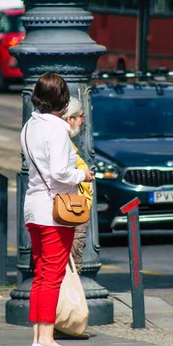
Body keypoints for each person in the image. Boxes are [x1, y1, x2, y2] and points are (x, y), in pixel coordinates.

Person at [21, 73, 95, 346]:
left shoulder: (30, 125)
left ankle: (39, 337)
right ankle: (47, 340)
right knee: (52, 276)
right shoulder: (57, 129)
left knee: (41, 274)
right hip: (55, 212)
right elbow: (60, 172)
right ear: (62, 100)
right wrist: (84, 175)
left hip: (34, 207)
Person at [61, 97, 93, 274]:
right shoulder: (62, 142)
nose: (82, 120)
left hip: (76, 209)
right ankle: (69, 301)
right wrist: (83, 176)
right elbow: (61, 173)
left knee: (71, 265)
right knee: (71, 267)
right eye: (80, 116)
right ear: (69, 119)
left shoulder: (68, 142)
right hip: (71, 211)